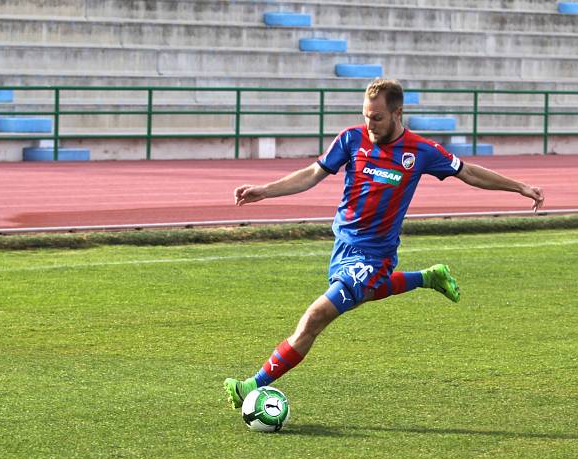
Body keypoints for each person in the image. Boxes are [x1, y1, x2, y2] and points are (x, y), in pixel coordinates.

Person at [224, 79, 544, 408]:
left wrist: (519, 187)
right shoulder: (351, 139)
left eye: (377, 117)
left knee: (317, 315)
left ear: (397, 113)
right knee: (361, 295)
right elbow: (312, 173)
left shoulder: (421, 151)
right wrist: (265, 190)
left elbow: (470, 173)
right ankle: (428, 277)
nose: (370, 124)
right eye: (366, 116)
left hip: (375, 256)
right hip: (343, 247)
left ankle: (252, 385)